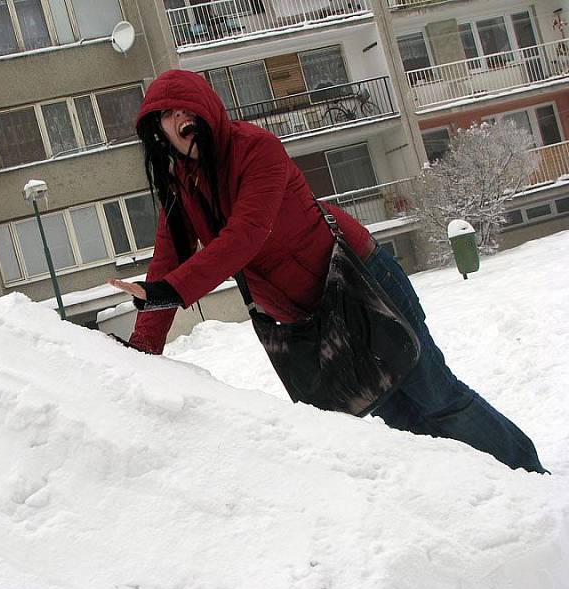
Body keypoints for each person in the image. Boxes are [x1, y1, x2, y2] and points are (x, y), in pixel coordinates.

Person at [108, 70, 546, 474]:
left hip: (361, 281)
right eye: (165, 114)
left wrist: (171, 290)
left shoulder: (254, 148)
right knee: (390, 413)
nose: (178, 117)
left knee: (436, 395)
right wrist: (144, 345)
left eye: (186, 106)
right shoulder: (180, 186)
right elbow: (168, 261)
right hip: (314, 317)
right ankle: (480, 491)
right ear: (157, 130)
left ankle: (528, 474)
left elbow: (247, 233)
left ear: (207, 109)